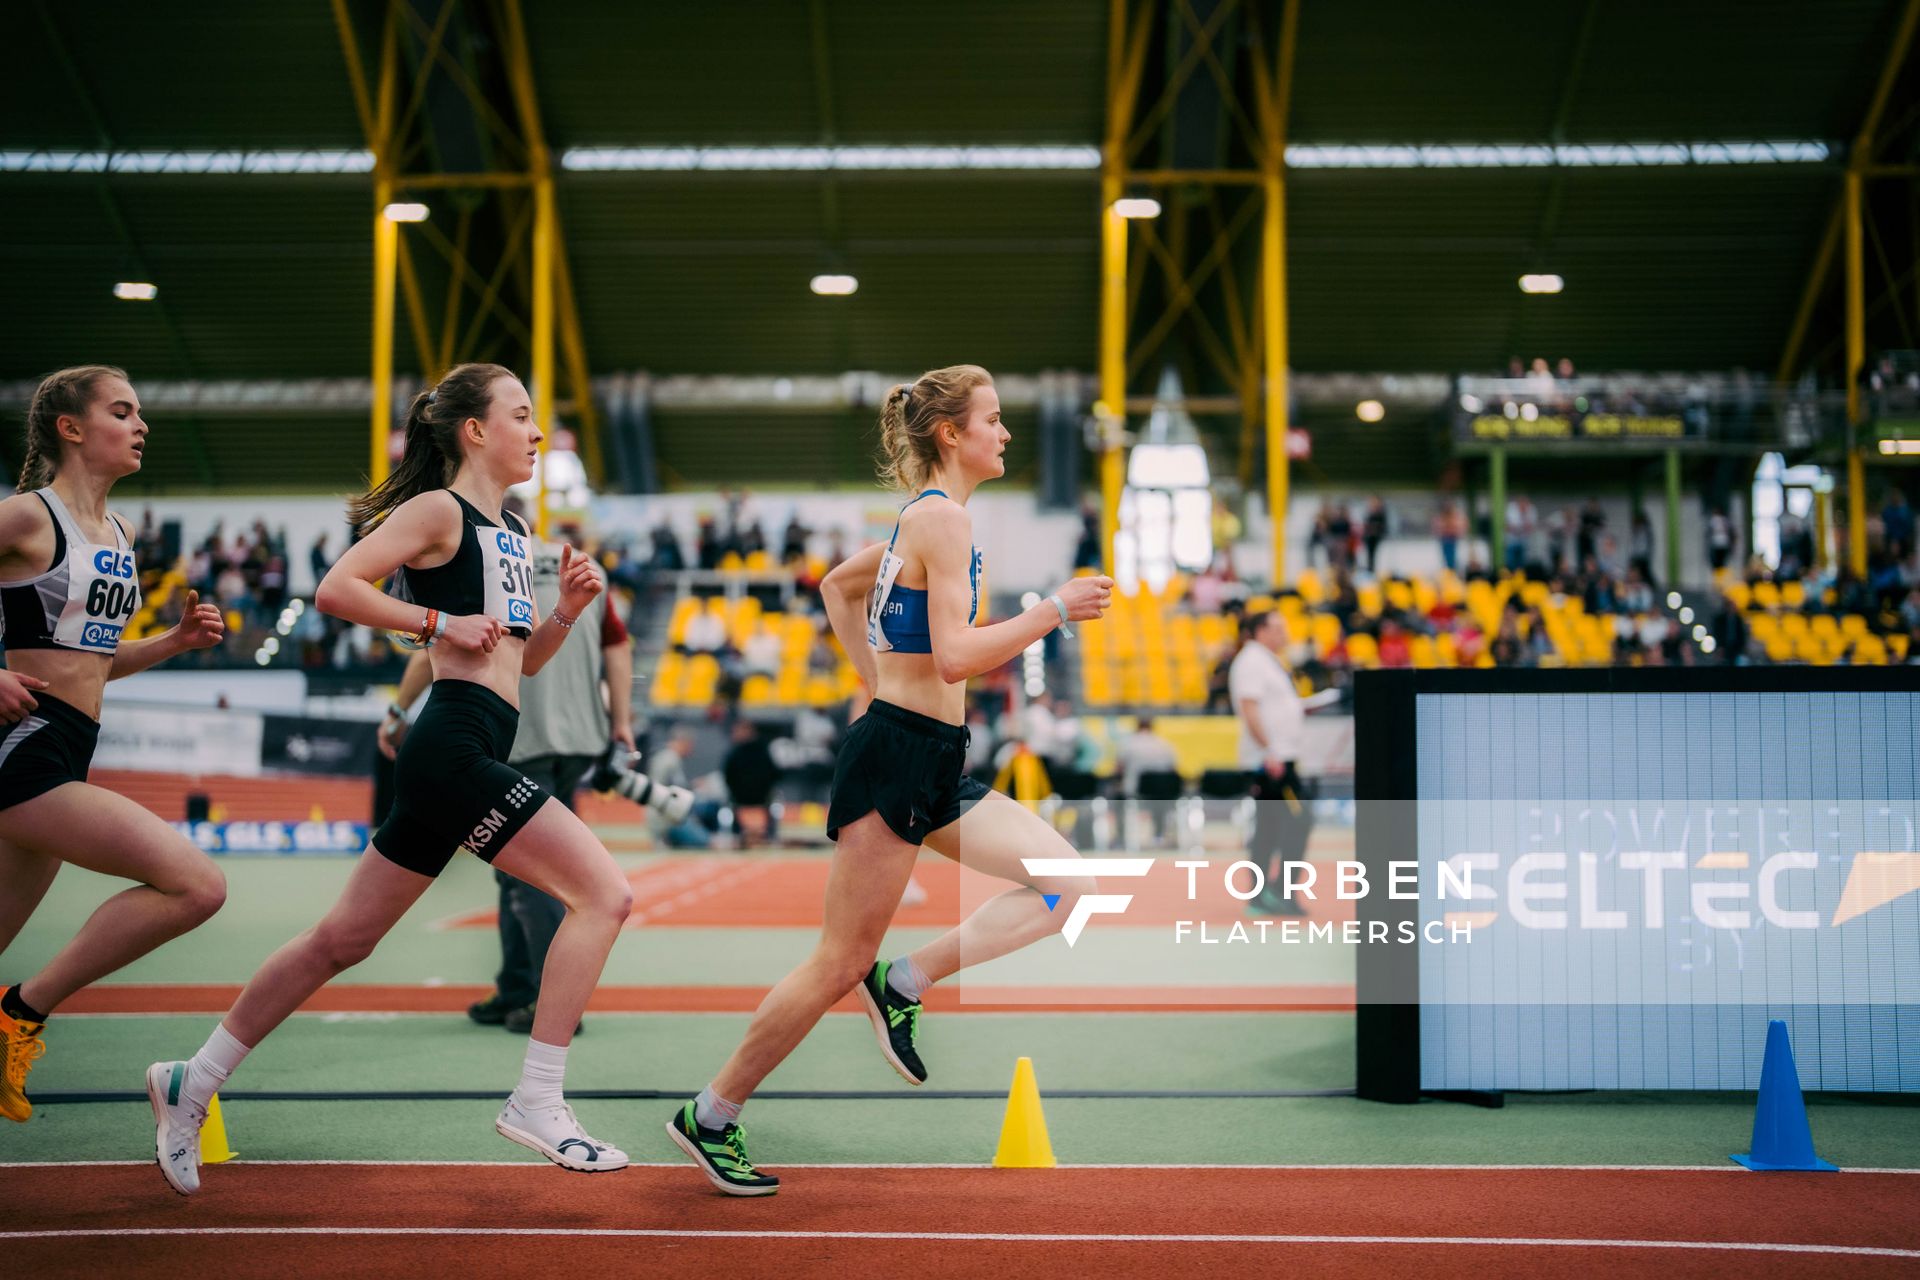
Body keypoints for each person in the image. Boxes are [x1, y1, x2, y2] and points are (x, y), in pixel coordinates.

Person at [147, 362, 633, 1195]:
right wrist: (437, 619)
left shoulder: (512, 528)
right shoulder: (438, 510)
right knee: (604, 895)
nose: (539, 432)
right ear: (475, 431)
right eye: (522, 415)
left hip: (479, 734)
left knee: (343, 940)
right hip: (451, 746)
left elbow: (518, 660)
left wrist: (565, 612)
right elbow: (337, 587)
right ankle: (539, 1100)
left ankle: (194, 1075)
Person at [665, 363, 1112, 1195]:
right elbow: (954, 655)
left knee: (1071, 887)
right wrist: (1053, 609)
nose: (1005, 432)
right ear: (953, 433)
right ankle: (711, 1113)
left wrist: (870, 677)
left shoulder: (928, 523)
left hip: (933, 754)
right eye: (993, 419)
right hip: (899, 752)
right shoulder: (941, 524)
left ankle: (904, 981)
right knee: (836, 959)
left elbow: (838, 587)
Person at [0, 365, 230, 1124]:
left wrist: (170, 643)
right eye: (122, 411)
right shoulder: (28, 518)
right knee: (196, 885)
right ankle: (22, 1011)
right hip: (22, 747)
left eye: (140, 411)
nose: (142, 425)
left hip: (71, 743)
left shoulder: (119, 533)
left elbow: (90, 660)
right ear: (71, 428)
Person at [380, 525, 639, 1035]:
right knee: (519, 863)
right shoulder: (585, 565)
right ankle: (518, 984)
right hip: (580, 734)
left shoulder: (484, 559)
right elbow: (617, 648)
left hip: (519, 733)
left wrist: (397, 708)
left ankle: (545, 998)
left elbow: (436, 650)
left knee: (532, 872)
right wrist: (621, 724)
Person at [1230, 611, 1310, 916]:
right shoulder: (1252, 661)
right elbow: (1250, 709)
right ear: (1260, 631)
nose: (1284, 634)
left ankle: (1266, 893)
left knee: (1272, 826)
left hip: (1278, 757)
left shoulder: (1267, 660)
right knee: (1295, 821)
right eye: (1278, 628)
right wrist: (1270, 751)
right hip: (1270, 761)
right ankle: (1274, 892)